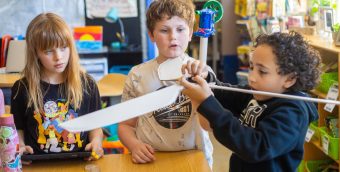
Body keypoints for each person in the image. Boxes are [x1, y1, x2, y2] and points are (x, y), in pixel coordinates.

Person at [180, 31, 321, 171]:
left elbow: (256, 147)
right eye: (252, 67)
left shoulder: (293, 112)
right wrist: (208, 81)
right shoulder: (260, 93)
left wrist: (207, 102)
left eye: (262, 72)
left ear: (290, 79)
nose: (252, 77)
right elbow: (228, 94)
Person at [118, 0, 213, 166]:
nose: (173, 36)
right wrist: (135, 146)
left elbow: (210, 125)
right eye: (164, 30)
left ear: (191, 33)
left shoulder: (203, 72)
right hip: (152, 160)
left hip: (195, 159)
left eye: (181, 29)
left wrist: (203, 86)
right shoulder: (137, 75)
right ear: (151, 35)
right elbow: (126, 125)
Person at [11, 13, 103, 163]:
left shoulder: (88, 84)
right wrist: (20, 146)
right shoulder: (22, 88)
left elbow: (95, 126)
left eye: (63, 48)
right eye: (48, 51)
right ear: (36, 53)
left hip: (80, 163)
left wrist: (96, 142)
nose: (58, 57)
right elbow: (18, 127)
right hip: (37, 165)